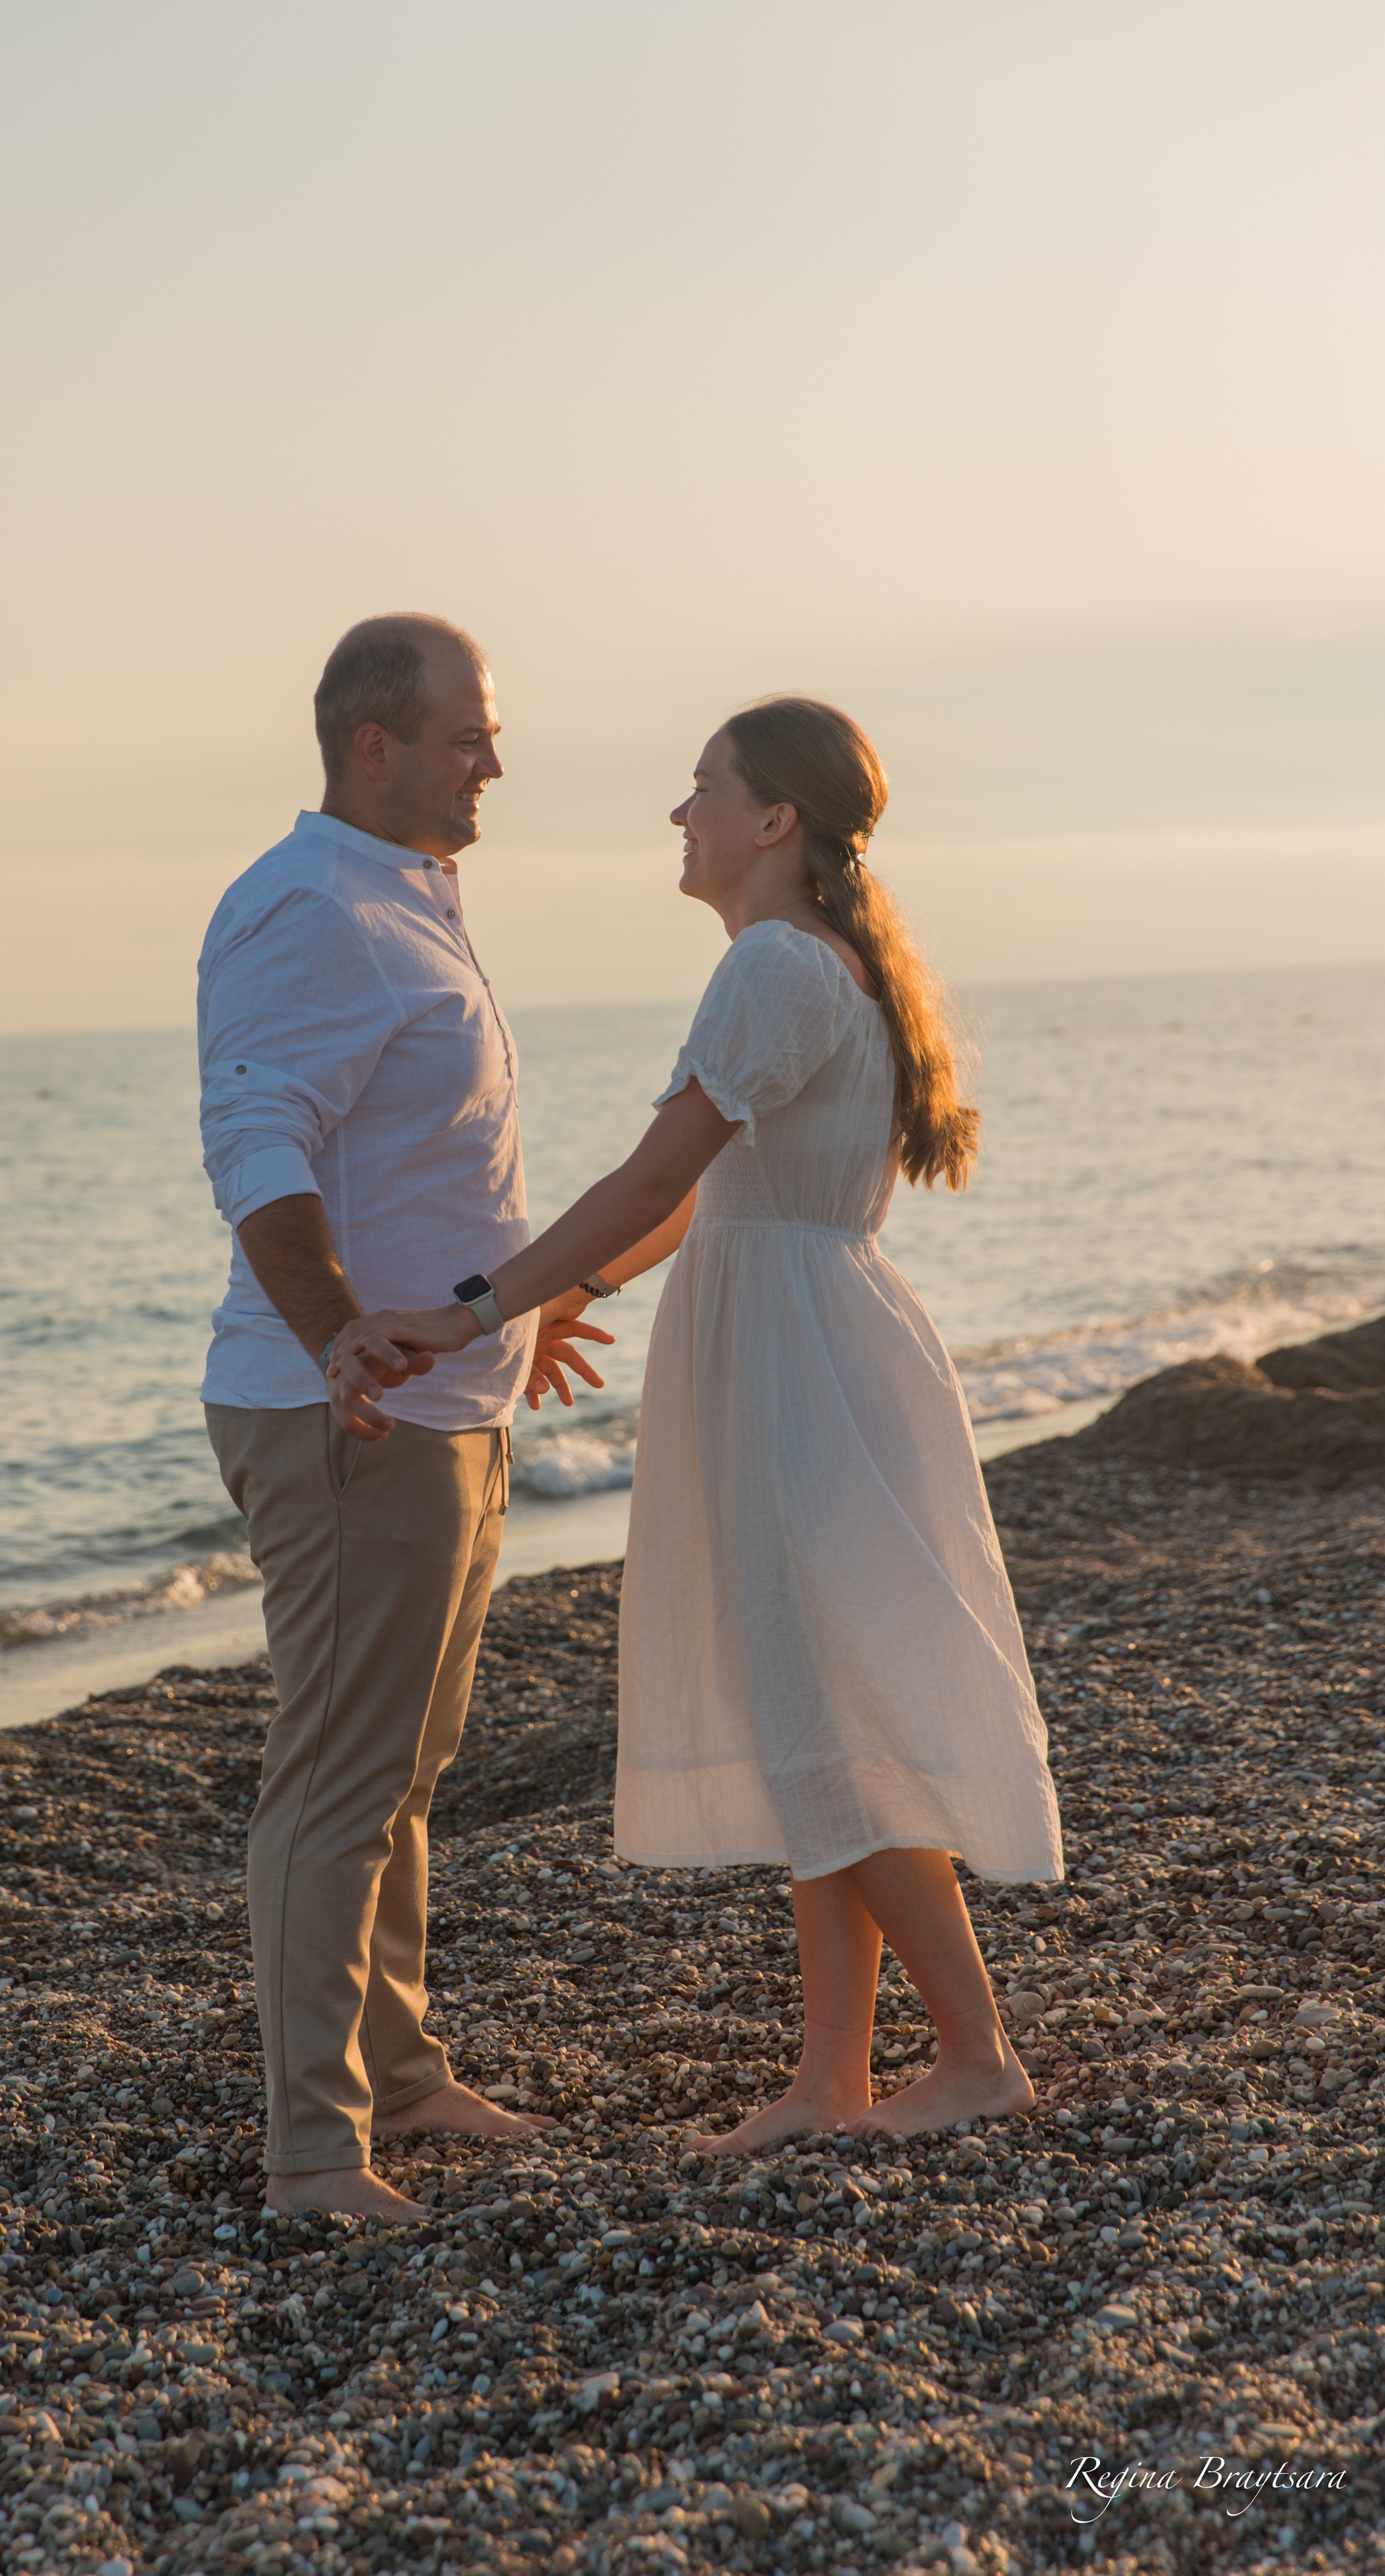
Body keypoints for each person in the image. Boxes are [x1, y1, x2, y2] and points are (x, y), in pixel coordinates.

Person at [334, 696, 1065, 2145]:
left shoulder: (774, 967)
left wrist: (476, 1307)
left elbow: (643, 1172)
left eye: (700, 789)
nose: (679, 816)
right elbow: (692, 1202)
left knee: (825, 1720)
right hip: (801, 1339)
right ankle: (828, 2080)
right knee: (809, 1715)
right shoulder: (806, 963)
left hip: (794, 1364)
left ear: (771, 821)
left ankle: (974, 2060)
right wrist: (562, 1298)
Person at [198, 612, 612, 2220]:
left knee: (407, 1765)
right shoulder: (308, 908)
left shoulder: (406, 900)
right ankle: (313, 2150)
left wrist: (522, 1304)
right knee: (340, 1775)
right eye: (466, 734)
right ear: (372, 744)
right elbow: (259, 1144)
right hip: (354, 1415)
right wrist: (337, 1341)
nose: (493, 760)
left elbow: (414, 1155)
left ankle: (403, 2074)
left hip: (452, 1396)